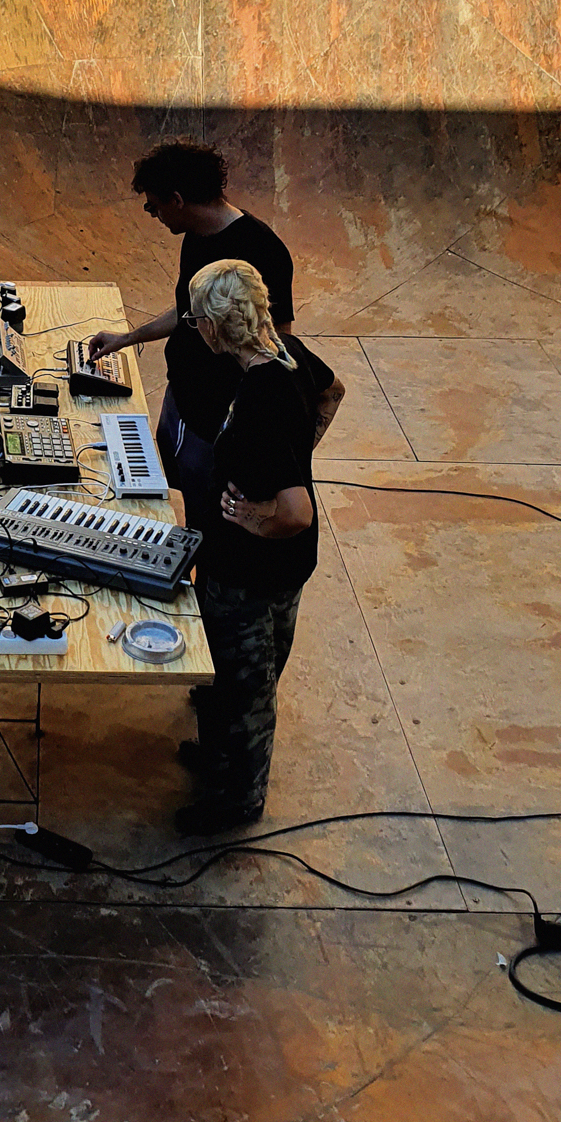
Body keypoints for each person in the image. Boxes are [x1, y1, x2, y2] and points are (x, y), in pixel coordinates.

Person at [85, 140, 342, 523]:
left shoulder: (261, 250)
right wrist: (128, 338)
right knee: (178, 500)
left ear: (177, 199)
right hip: (181, 405)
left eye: (153, 207)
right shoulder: (195, 235)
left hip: (216, 426)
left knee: (211, 524)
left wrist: (289, 457)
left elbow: (280, 346)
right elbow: (188, 310)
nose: (153, 215)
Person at [172, 258, 322, 837]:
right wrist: (297, 455)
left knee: (247, 687)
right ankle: (217, 760)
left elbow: (295, 513)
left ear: (212, 327)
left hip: (252, 574)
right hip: (273, 569)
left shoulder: (263, 394)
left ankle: (238, 801)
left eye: (195, 319)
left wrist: (250, 518)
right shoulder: (291, 353)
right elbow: (332, 392)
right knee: (229, 679)